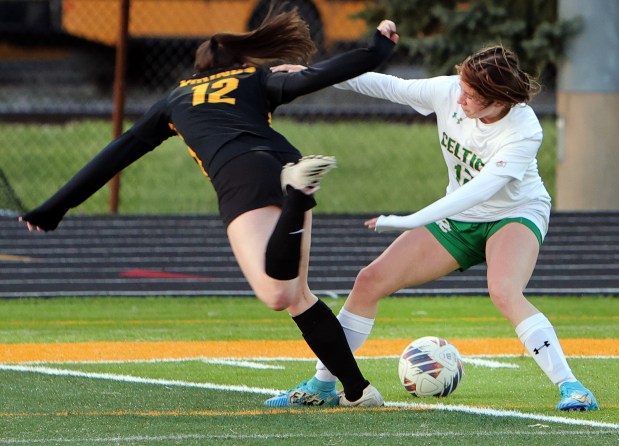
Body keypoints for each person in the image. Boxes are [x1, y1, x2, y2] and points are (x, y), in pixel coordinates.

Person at [19, 7, 399, 408]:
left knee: (275, 295)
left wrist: (53, 208)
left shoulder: (176, 97)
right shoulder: (256, 77)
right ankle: (358, 392)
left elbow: (117, 154)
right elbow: (322, 75)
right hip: (283, 161)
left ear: (198, 70)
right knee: (296, 296)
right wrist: (377, 48)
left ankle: (299, 194)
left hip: (242, 176)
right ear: (238, 61)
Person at [266, 45, 599, 411]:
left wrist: (407, 221)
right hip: (458, 220)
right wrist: (313, 74)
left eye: (472, 96)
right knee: (369, 280)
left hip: (513, 214)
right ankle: (323, 385)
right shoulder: (452, 90)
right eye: (463, 87)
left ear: (499, 99)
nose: (461, 98)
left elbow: (479, 191)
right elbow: (390, 86)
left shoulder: (524, 129)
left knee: (504, 291)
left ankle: (573, 388)